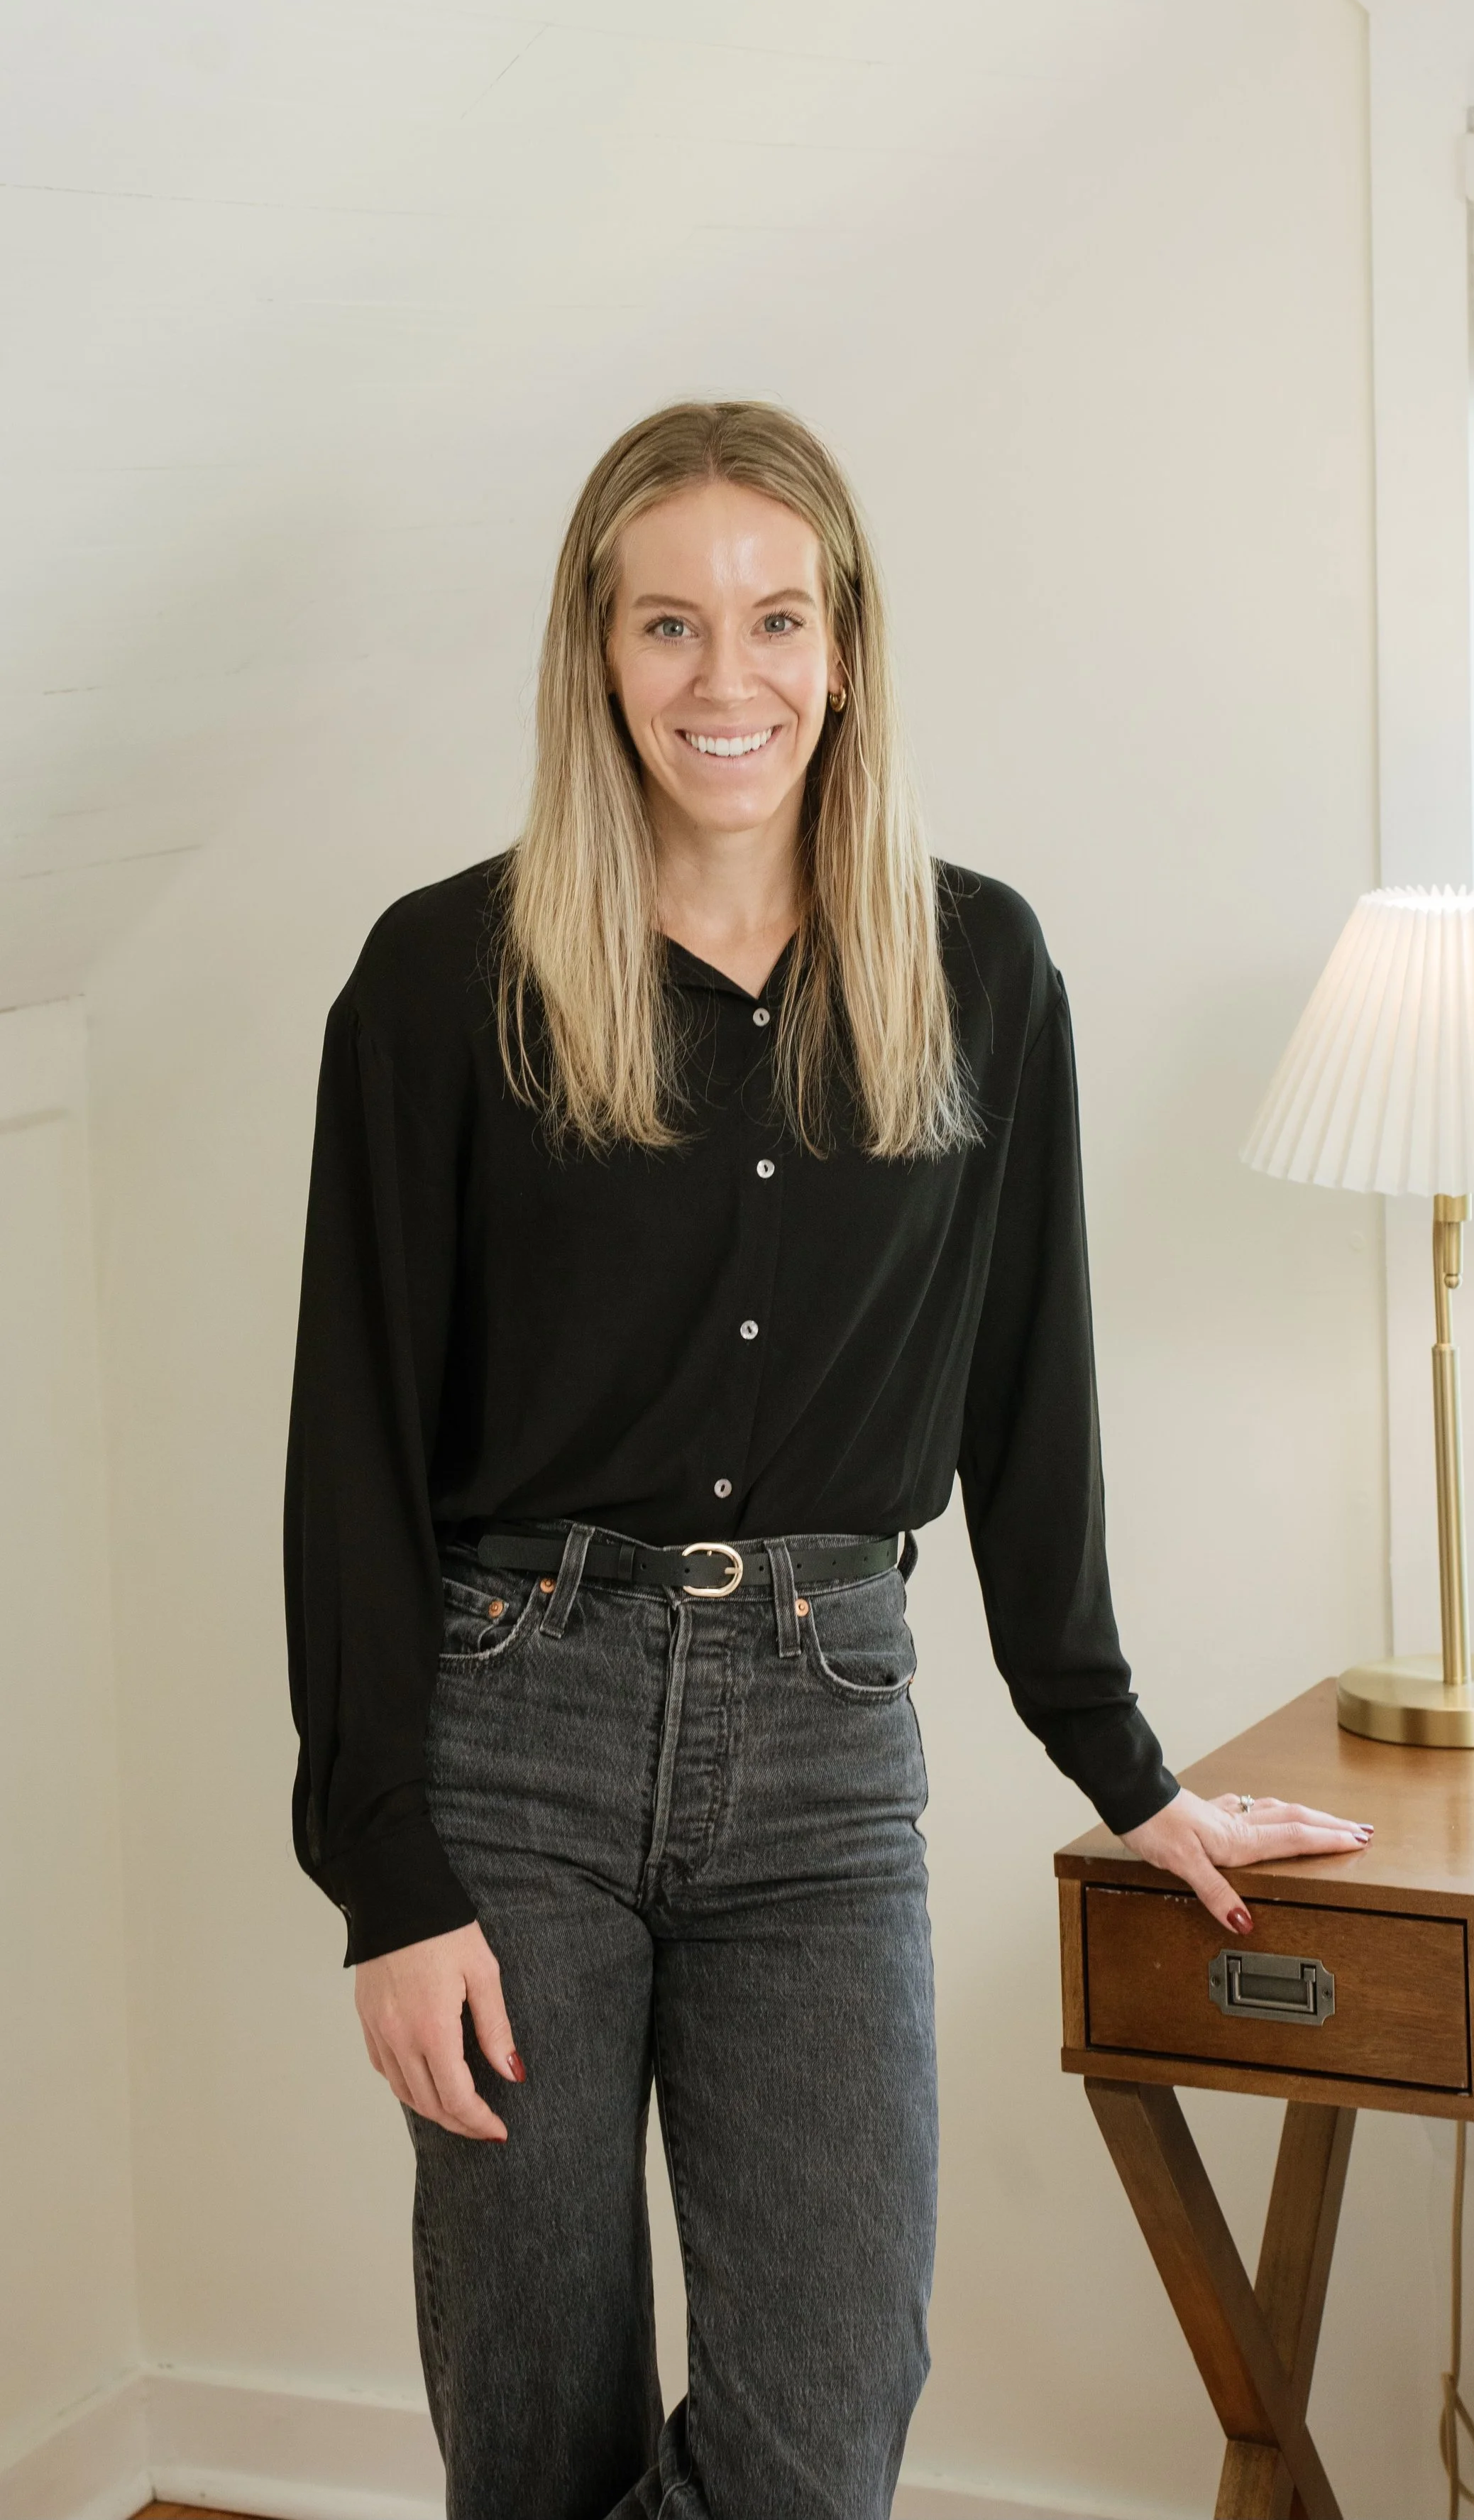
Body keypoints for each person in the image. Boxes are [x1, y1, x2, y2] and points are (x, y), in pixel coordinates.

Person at [283, 399, 1371, 2520]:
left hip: (827, 1739)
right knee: (535, 2398)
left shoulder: (978, 965)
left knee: (830, 2395)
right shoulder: (442, 980)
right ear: (595, 654)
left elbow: (1026, 1390)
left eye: (774, 619)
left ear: (846, 647)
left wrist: (1119, 1761)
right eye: (669, 624)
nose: (725, 679)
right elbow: (353, 1447)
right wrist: (384, 1873)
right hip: (516, 1727)